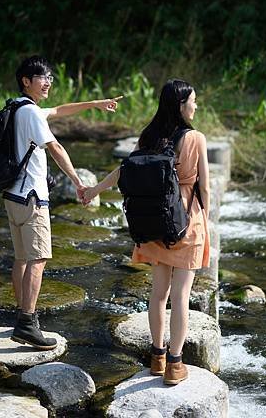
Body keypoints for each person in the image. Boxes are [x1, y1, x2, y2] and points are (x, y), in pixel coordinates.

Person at [82, 79, 210, 385]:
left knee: (158, 292)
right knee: (180, 295)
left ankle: (157, 357)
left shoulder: (151, 135)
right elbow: (204, 187)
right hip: (186, 222)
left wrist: (94, 189)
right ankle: (176, 365)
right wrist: (207, 221)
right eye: (193, 101)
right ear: (181, 105)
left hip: (154, 221)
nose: (196, 106)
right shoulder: (196, 139)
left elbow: (126, 169)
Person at [4, 55, 122, 350]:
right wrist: (79, 183)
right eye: (42, 78)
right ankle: (28, 323)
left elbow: (58, 110)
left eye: (50, 78)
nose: (47, 83)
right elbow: (55, 147)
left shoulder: (17, 108)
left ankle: (21, 318)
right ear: (26, 81)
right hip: (32, 197)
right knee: (38, 259)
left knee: (21, 258)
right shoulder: (30, 112)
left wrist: (95, 104)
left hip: (13, 196)